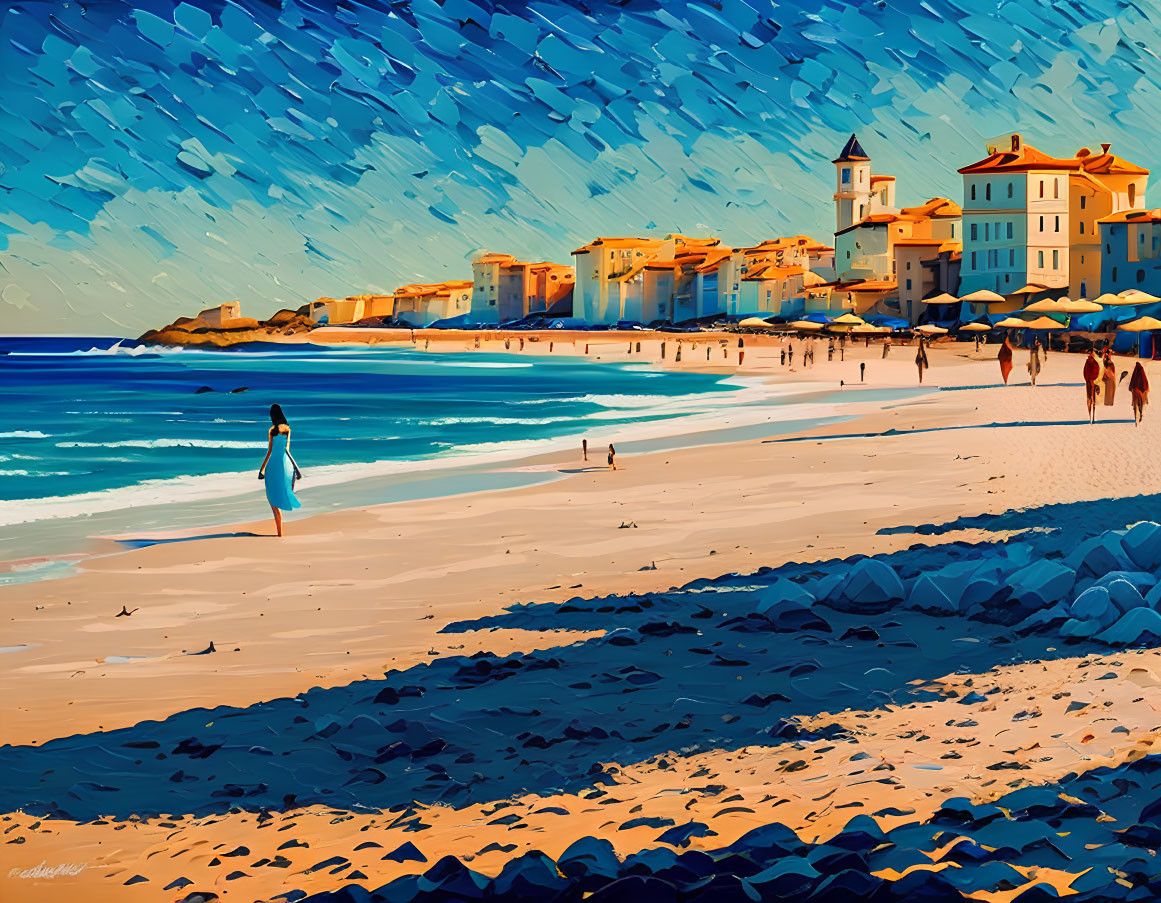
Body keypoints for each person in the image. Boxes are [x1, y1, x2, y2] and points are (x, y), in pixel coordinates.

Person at [257, 404, 301, 537]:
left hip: (273, 465)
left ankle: (279, 531)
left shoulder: (272, 430)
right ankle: (280, 532)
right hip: (286, 464)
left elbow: (269, 451)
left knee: (272, 497)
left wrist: (262, 469)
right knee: (285, 491)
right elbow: (287, 450)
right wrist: (297, 468)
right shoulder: (287, 429)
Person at [1083, 349, 1101, 424]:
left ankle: (1092, 416)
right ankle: (1090, 416)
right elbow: (1085, 372)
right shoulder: (1088, 362)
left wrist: (1094, 381)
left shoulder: (1095, 363)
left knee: (1092, 400)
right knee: (1089, 399)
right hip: (1089, 381)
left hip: (1093, 381)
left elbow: (1097, 372)